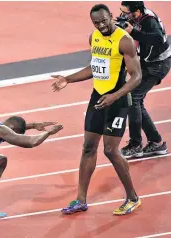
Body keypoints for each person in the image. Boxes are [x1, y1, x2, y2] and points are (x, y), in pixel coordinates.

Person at [51, 4, 142, 215]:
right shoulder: (94, 37)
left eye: (104, 20)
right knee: (88, 147)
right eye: (96, 23)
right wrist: (68, 79)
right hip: (98, 98)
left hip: (118, 100)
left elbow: (136, 77)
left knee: (110, 150)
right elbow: (94, 66)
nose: (100, 25)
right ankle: (80, 200)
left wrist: (114, 96)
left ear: (111, 16)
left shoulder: (124, 41)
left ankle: (133, 197)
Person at [119, 1, 171, 159]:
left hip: (158, 65)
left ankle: (136, 145)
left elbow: (157, 39)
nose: (124, 15)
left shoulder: (149, 21)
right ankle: (155, 142)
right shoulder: (134, 17)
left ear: (137, 11)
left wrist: (133, 31)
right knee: (136, 100)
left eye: (126, 12)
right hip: (147, 63)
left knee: (133, 97)